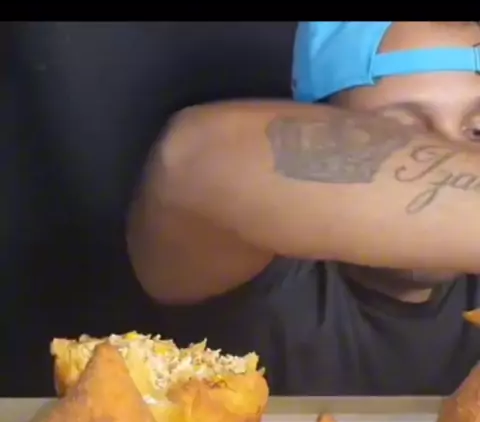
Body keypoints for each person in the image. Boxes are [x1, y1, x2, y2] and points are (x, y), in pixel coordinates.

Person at [127, 21, 480, 396]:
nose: (452, 152)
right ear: (315, 124)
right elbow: (191, 157)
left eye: (478, 131)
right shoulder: (259, 267)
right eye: (398, 135)